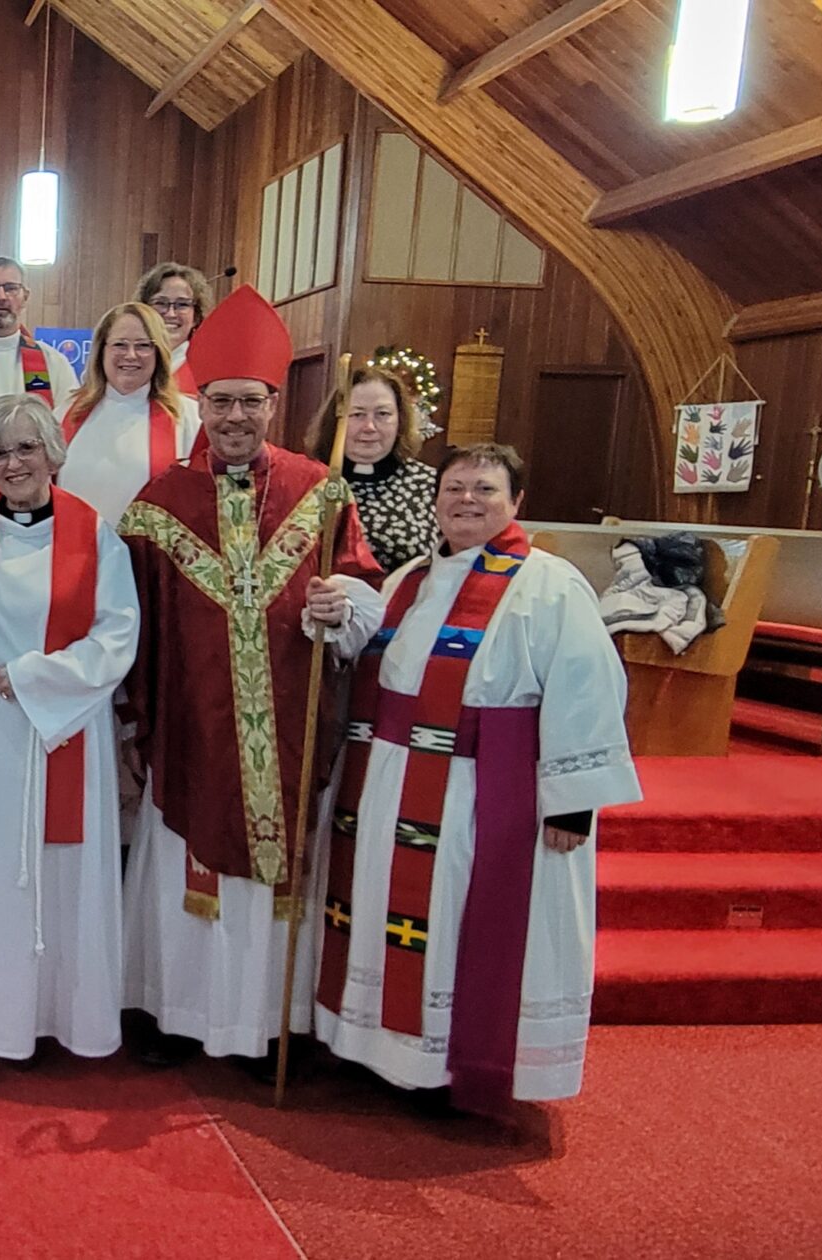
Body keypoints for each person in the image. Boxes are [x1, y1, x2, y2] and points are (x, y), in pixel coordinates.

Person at [310, 443, 640, 1119]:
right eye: (454, 487)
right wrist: (336, 619)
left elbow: (589, 689)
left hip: (480, 793)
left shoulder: (548, 584)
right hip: (391, 780)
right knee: (385, 914)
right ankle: (383, 1053)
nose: (466, 499)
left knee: (456, 923)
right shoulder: (409, 579)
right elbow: (372, 662)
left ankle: (451, 1063)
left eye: (485, 490)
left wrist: (573, 805)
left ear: (516, 502)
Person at [118, 284, 382, 1072]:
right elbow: (131, 619)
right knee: (181, 864)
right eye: (221, 402)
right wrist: (136, 720)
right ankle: (178, 1009)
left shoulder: (319, 491)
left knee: (282, 871)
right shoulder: (160, 502)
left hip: (291, 721)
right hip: (192, 723)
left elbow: (364, 594)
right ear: (201, 403)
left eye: (252, 403)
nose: (235, 417)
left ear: (272, 403)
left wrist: (347, 605)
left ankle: (270, 1023)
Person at [0, 395, 139, 1063]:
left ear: (54, 452)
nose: (12, 463)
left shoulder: (95, 533)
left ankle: (61, 1016)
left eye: (25, 448)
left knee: (62, 869)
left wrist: (37, 678)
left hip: (65, 724)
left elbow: (119, 632)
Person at [54, 302, 192, 520]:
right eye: (120, 345)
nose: (130, 355)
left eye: (143, 345)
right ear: (101, 349)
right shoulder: (67, 412)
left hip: (147, 552)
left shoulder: (187, 416)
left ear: (159, 352)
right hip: (76, 548)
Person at [312, 365, 438, 572]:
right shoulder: (311, 481)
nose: (369, 427)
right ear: (336, 420)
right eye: (357, 414)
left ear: (400, 421)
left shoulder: (431, 485)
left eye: (382, 414)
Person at [0, 257, 77, 408]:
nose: (1, 297)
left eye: (11, 288)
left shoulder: (53, 362)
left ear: (25, 297)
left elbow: (68, 421)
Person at [135, 263, 213, 396]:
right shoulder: (125, 364)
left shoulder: (209, 372)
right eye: (160, 303)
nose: (171, 313)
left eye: (182, 304)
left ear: (196, 316)